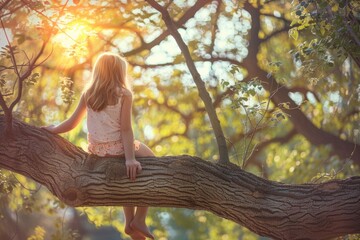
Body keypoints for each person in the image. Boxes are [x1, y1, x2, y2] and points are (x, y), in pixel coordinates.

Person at [43, 52, 155, 240]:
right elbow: (126, 130)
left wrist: (52, 129)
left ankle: (129, 223)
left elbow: (71, 123)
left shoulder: (88, 94)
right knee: (152, 161)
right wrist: (130, 159)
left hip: (98, 151)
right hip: (118, 148)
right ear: (119, 73)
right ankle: (140, 219)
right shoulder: (124, 94)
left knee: (129, 178)